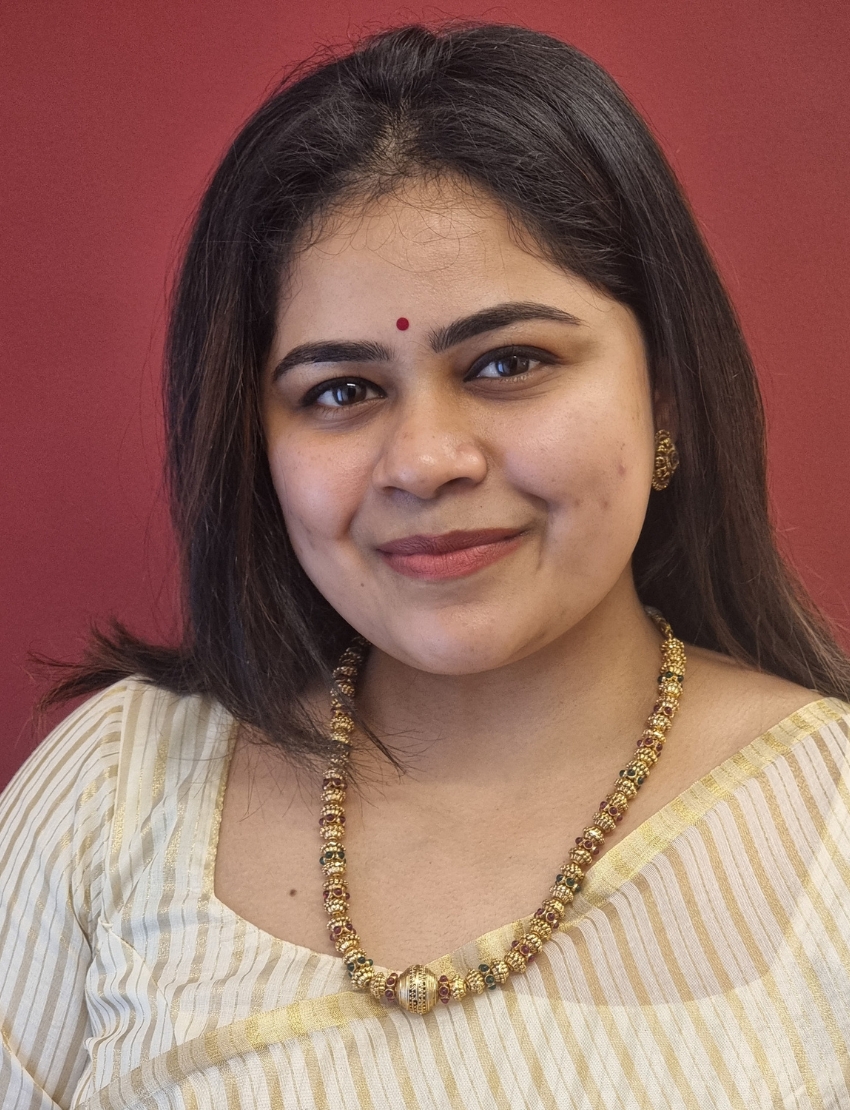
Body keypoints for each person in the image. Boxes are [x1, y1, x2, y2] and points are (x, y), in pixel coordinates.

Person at [2, 22, 849, 1110]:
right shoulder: (118, 793)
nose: (425, 461)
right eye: (341, 391)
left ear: (669, 392)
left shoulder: (829, 814)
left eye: (508, 363)